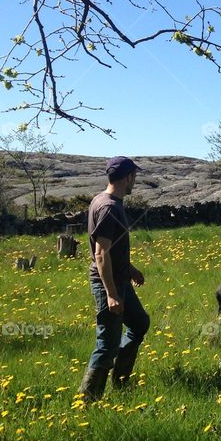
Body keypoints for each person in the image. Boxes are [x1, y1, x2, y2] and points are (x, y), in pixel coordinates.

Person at [77, 156, 150, 401]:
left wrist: (130, 269)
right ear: (127, 177)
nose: (135, 181)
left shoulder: (103, 200)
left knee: (139, 323)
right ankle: (87, 400)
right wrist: (110, 293)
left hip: (120, 280)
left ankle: (120, 381)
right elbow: (101, 253)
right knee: (107, 343)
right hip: (108, 283)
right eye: (134, 177)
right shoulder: (108, 207)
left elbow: (113, 248)